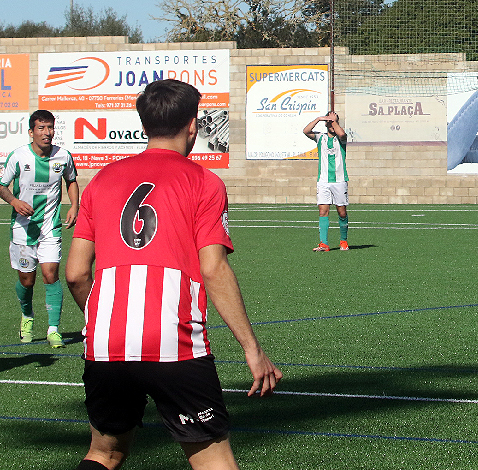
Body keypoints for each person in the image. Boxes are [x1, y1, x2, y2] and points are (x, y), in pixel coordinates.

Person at [65, 79, 282, 470]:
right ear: (193, 126)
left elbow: (77, 273)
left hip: (106, 342)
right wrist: (254, 349)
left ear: (144, 125)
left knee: (104, 453)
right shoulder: (203, 182)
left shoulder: (101, 181)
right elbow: (213, 269)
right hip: (173, 341)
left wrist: (98, 319)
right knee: (213, 460)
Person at [1, 109, 79, 347]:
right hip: (23, 228)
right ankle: (27, 315)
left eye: (50, 128)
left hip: (50, 227)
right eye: (42, 128)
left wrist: (75, 205)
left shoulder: (63, 156)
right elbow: (2, 185)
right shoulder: (18, 156)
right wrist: (14, 202)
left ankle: (53, 329)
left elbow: (71, 180)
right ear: (31, 132)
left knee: (50, 275)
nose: (47, 133)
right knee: (27, 280)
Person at [304, 111, 349, 251]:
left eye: (333, 119)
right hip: (323, 181)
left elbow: (342, 134)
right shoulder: (320, 137)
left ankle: (343, 241)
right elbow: (306, 131)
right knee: (323, 211)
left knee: (341, 212)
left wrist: (334, 121)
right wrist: (319, 119)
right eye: (328, 120)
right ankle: (324, 243)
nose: (330, 122)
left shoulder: (341, 137)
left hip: (339, 181)